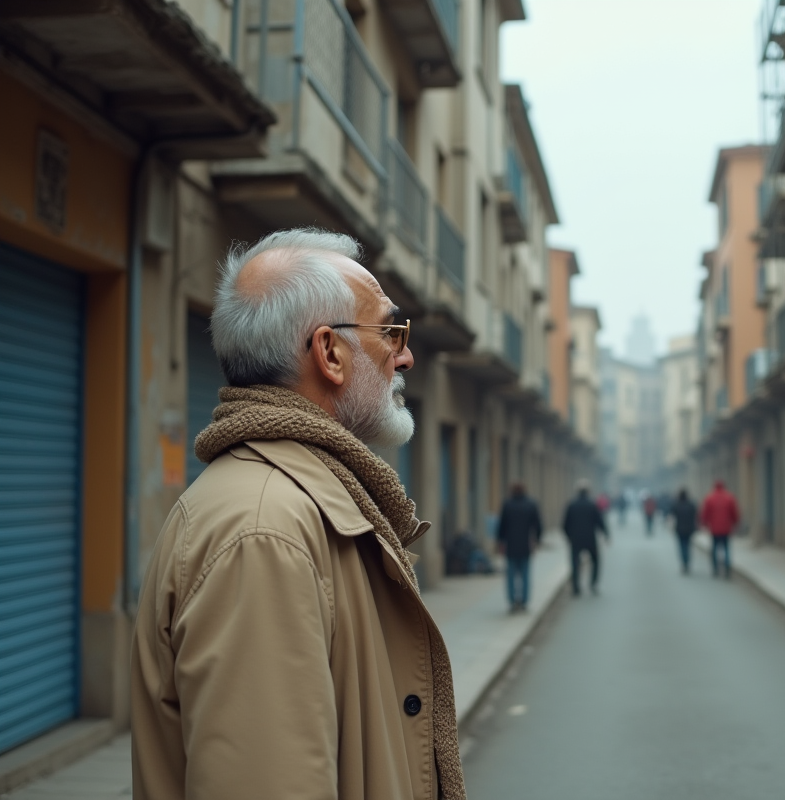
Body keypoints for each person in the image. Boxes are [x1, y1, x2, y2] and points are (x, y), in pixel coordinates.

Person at [130, 229, 469, 800]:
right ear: (329, 353)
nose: (405, 355)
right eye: (390, 331)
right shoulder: (263, 533)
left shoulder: (297, 506)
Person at [495, 482, 543, 613]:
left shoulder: (507, 504)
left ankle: (512, 601)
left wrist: (500, 542)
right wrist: (537, 540)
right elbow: (538, 525)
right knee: (525, 575)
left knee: (511, 576)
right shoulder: (531, 504)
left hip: (511, 545)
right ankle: (524, 601)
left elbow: (501, 526)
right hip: (525, 545)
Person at [562, 481, 609, 595]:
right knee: (596, 561)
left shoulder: (571, 505)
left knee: (574, 563)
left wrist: (569, 536)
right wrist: (606, 534)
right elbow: (599, 521)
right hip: (590, 539)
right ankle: (593, 584)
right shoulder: (592, 505)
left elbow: (565, 524)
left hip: (575, 539)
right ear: (588, 491)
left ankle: (576, 587)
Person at [701, 479, 739, 579]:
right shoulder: (729, 497)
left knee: (714, 549)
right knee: (726, 549)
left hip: (714, 529)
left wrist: (704, 524)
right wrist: (735, 523)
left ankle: (715, 569)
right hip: (726, 528)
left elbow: (705, 513)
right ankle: (727, 568)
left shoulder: (710, 498)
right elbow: (734, 512)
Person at [671, 489, 698, 574]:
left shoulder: (677, 505)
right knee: (687, 546)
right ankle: (687, 562)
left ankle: (684, 563)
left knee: (682, 546)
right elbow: (695, 515)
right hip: (689, 529)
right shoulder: (691, 505)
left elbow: (673, 514)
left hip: (680, 529)